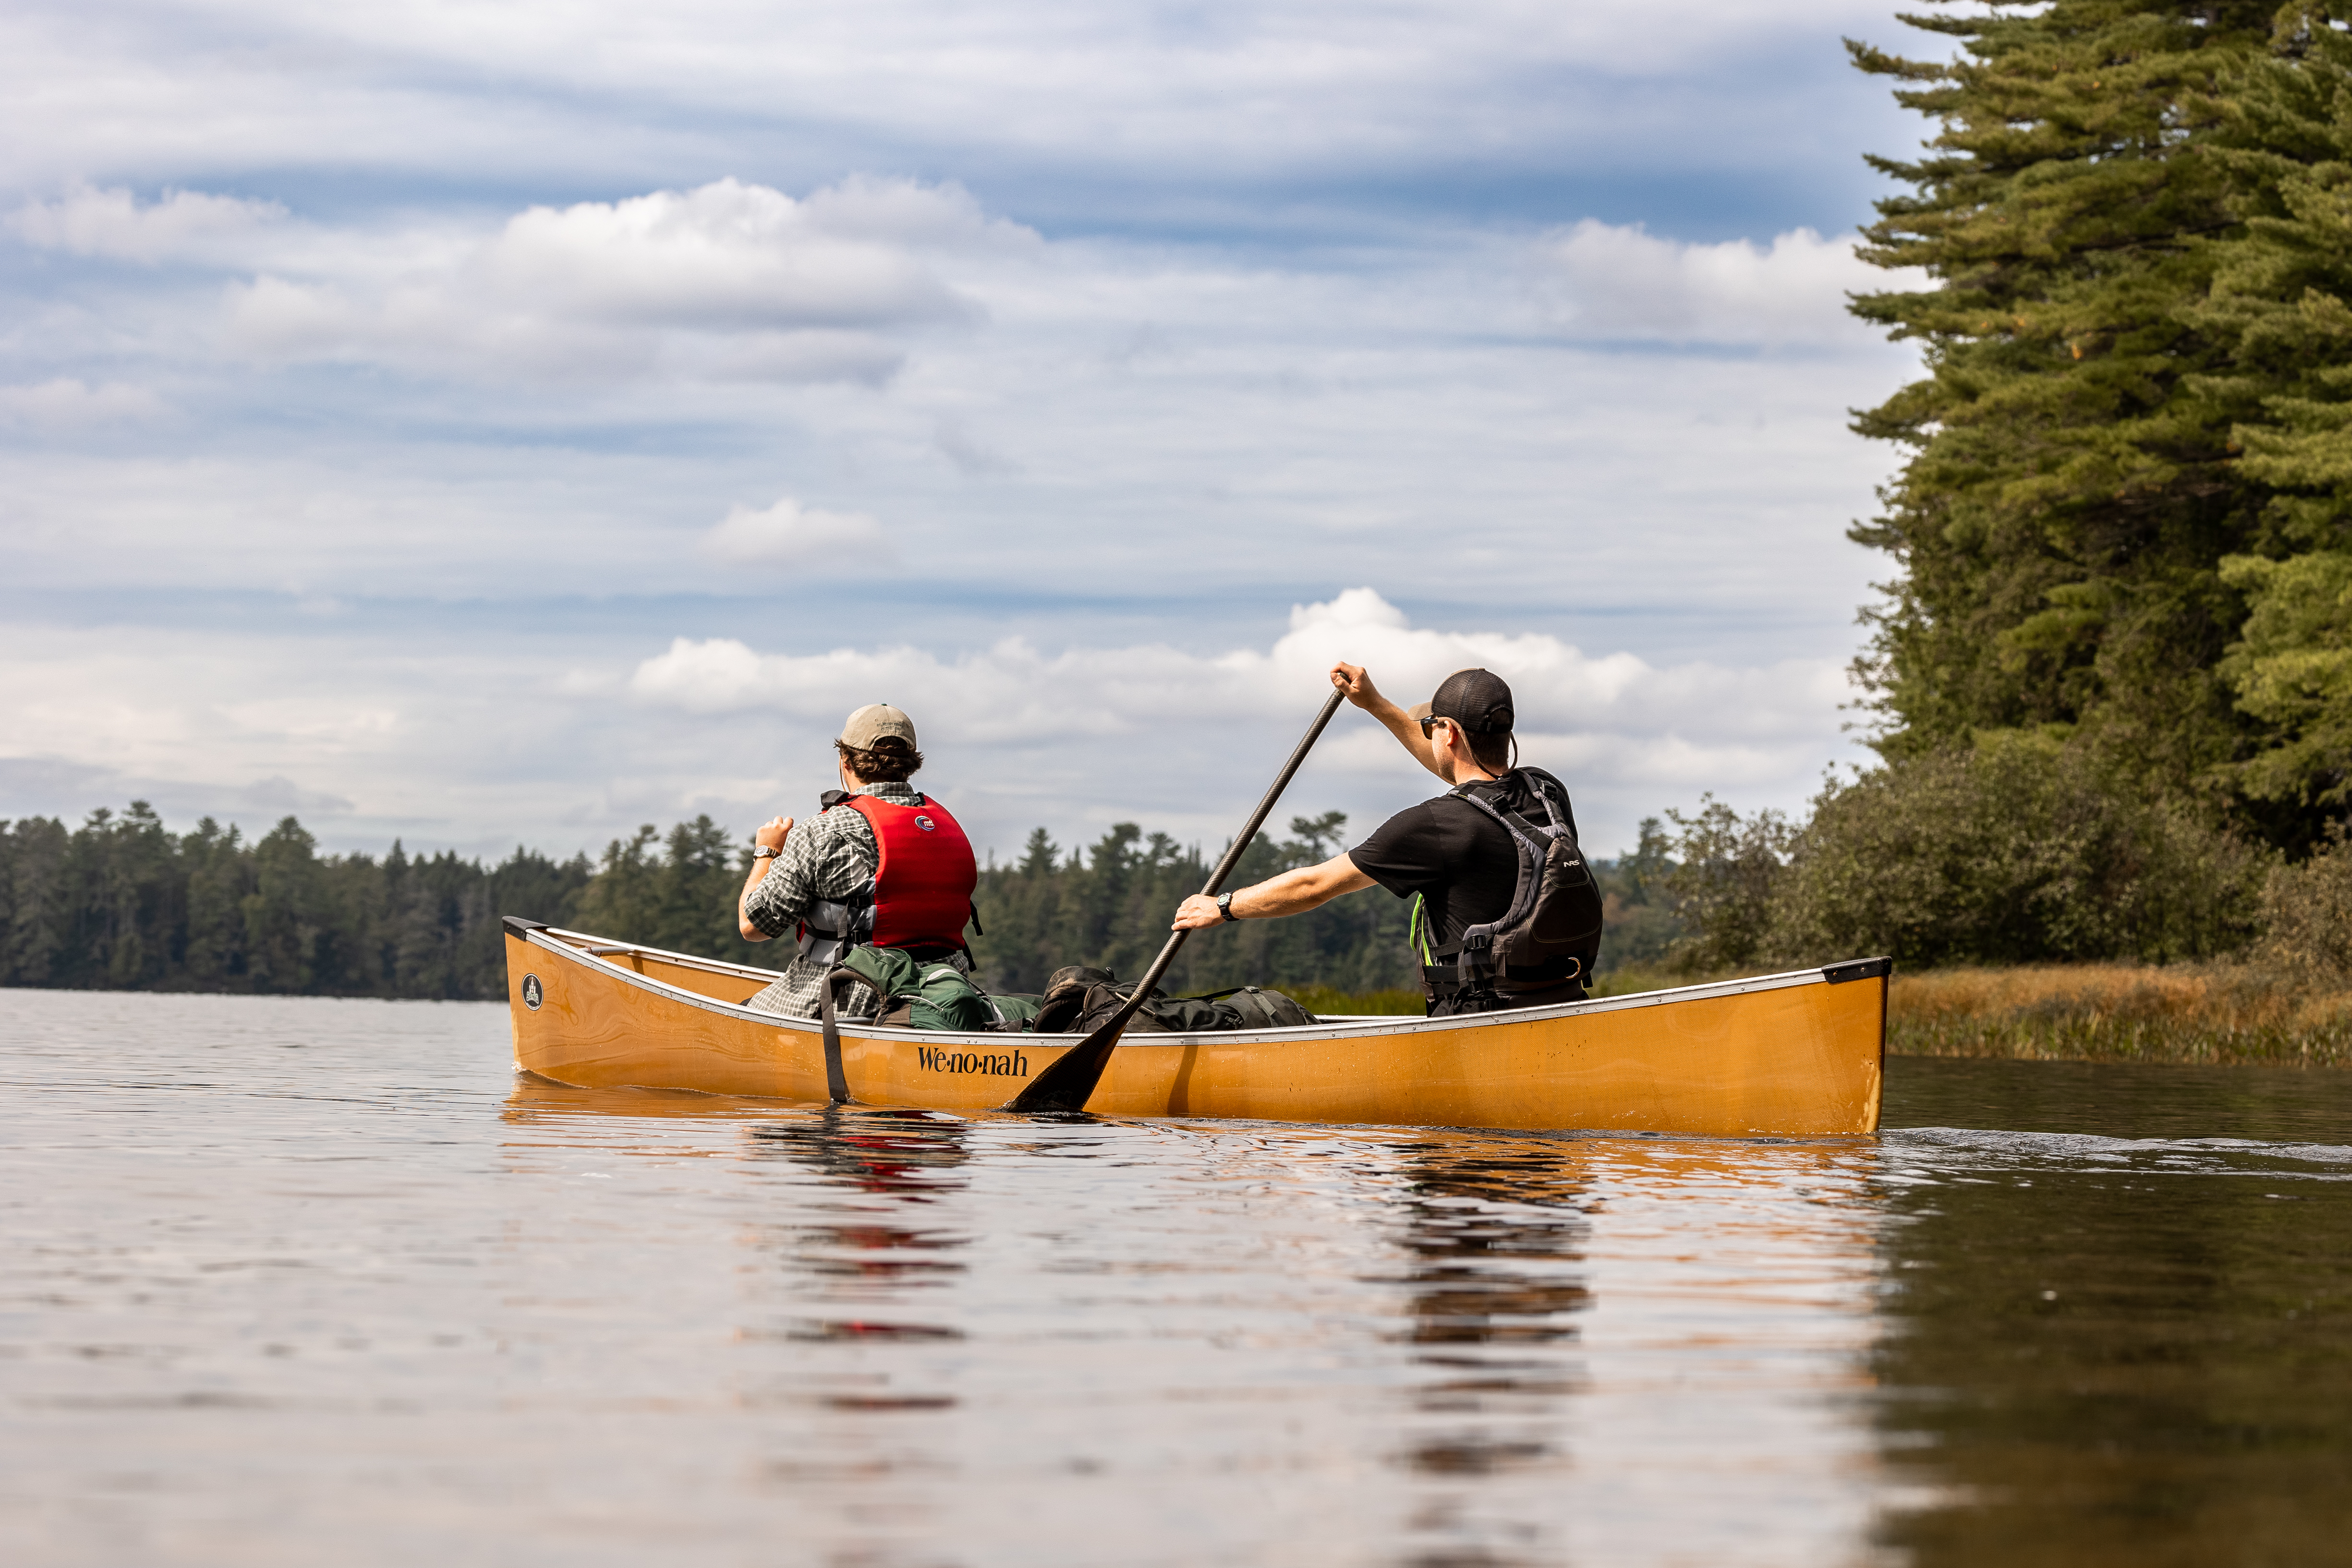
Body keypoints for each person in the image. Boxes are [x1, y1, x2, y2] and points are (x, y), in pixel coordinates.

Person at [1172, 663, 1595, 1014]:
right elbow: (1469, 778)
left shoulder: (1435, 825)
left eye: (1432, 727)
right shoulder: (1547, 791)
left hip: (1477, 1019)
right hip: (1559, 1001)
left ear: (1447, 732)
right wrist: (1374, 704)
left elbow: (1314, 885)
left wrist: (1224, 907)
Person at [737, 703, 979, 1019]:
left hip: (852, 998)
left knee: (738, 1015)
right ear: (911, 763)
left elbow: (754, 926)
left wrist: (767, 852)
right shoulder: (946, 827)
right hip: (945, 997)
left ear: (846, 761)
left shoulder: (821, 831)